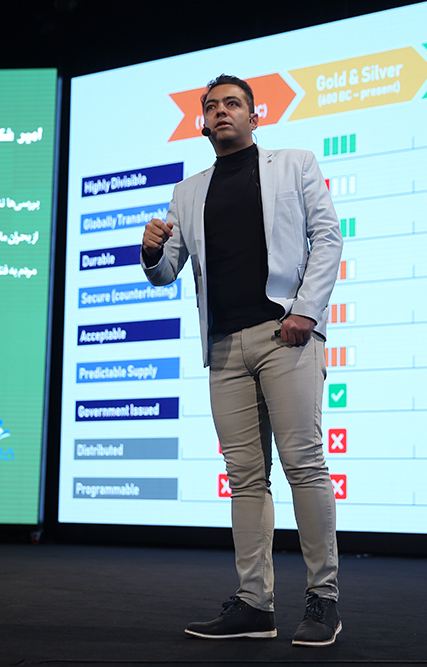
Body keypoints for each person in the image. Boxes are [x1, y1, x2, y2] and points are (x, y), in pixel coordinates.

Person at [141, 74, 343, 646]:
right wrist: (150, 252)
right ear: (203, 124)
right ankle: (255, 604)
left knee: (303, 465)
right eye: (212, 107)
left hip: (285, 336)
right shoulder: (188, 191)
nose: (221, 111)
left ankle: (323, 599)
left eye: (233, 104)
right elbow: (166, 271)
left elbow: (328, 239)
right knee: (245, 479)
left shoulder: (295, 164)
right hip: (225, 349)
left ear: (255, 117)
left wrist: (306, 312)